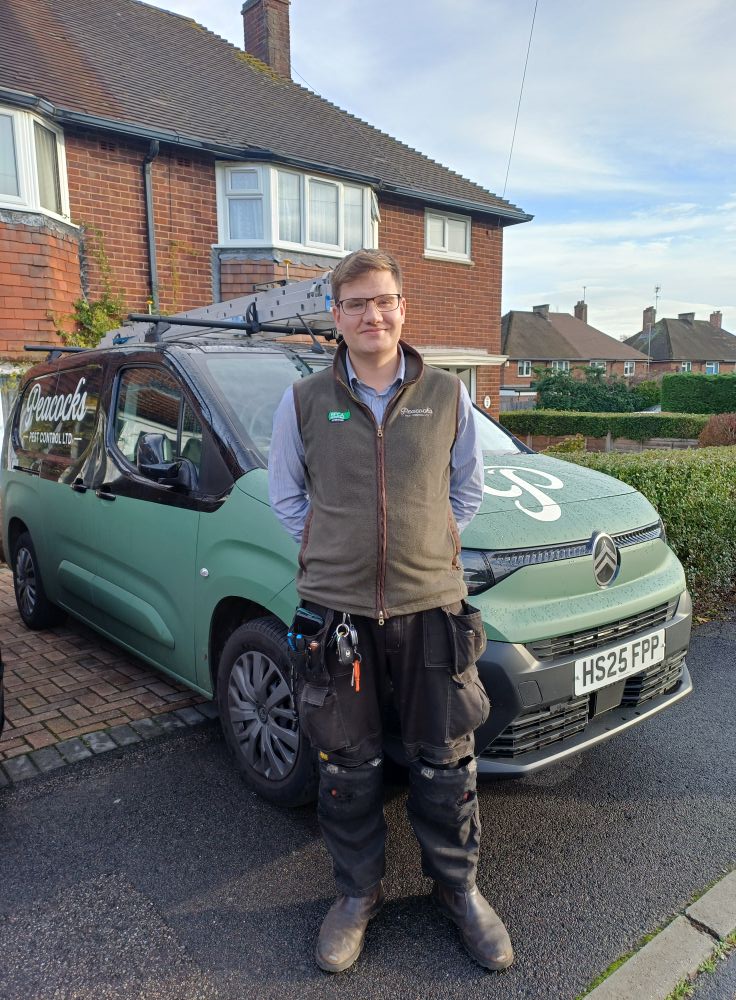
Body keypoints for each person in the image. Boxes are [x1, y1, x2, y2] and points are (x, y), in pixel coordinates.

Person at [268, 248, 513, 973]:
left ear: (403, 307)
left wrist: (434, 542)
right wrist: (334, 550)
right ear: (336, 317)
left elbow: (465, 490)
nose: (371, 315)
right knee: (347, 762)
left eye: (384, 301)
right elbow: (287, 497)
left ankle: (458, 889)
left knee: (446, 758)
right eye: (355, 304)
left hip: (432, 608)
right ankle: (356, 895)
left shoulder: (446, 394)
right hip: (337, 614)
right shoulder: (305, 401)